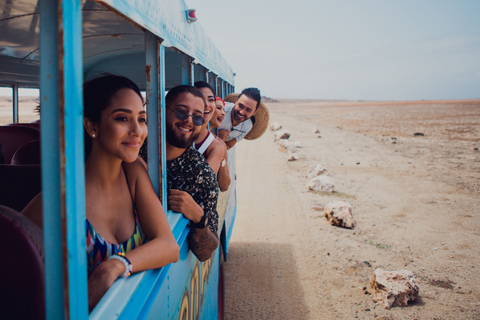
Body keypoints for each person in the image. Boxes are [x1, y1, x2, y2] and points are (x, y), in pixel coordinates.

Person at [22, 74, 179, 311]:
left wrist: (114, 266)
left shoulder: (133, 172)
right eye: (123, 118)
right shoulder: (57, 204)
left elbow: (169, 246)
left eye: (142, 119)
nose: (138, 131)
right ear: (91, 126)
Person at [165, 85, 219, 261]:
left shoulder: (201, 175)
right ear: (163, 111)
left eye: (197, 117)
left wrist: (198, 217)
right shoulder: (136, 149)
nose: (189, 121)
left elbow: (206, 252)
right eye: (181, 112)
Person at [193, 81, 230, 191]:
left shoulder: (217, 145)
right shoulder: (179, 134)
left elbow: (222, 186)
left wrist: (221, 160)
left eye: (211, 100)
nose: (207, 104)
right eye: (200, 99)